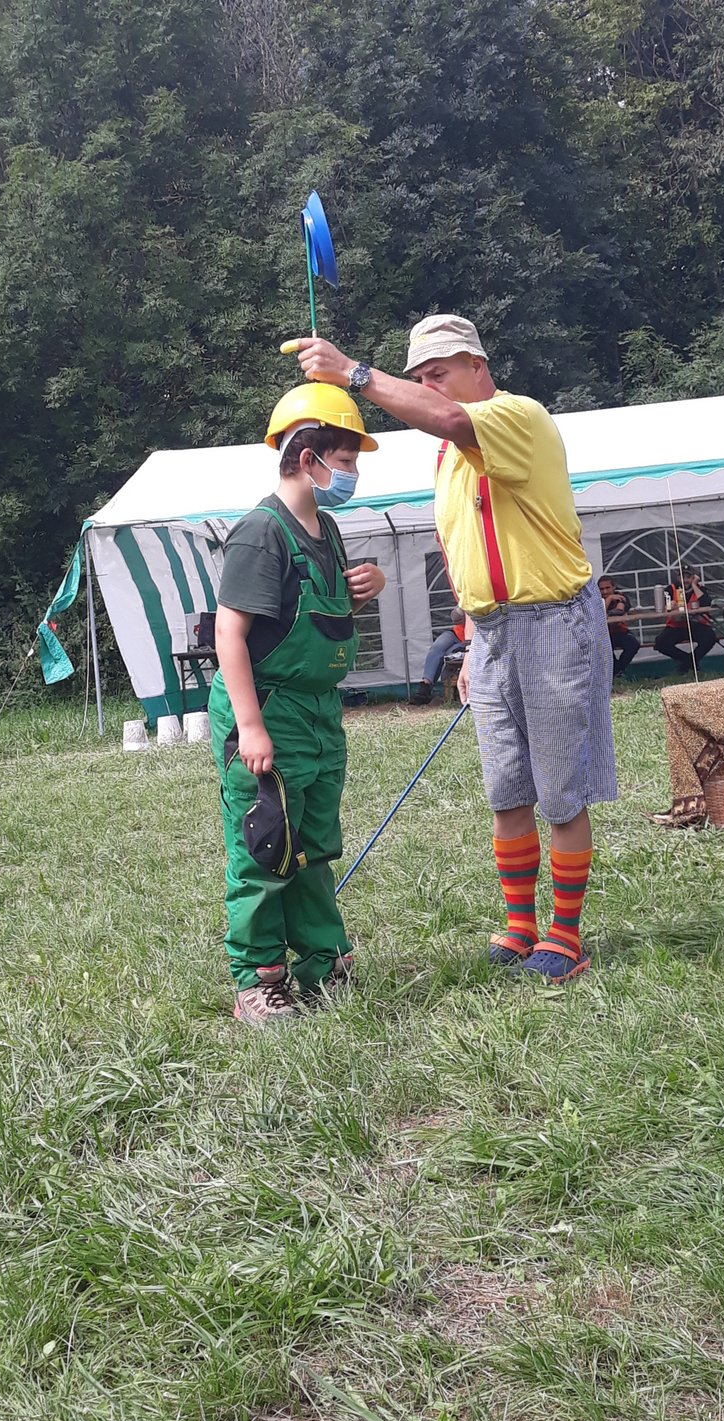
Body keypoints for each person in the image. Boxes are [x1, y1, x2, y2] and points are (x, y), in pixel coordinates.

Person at [293, 314, 615, 985]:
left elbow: (449, 419)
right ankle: (521, 926)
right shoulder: (449, 459)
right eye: (419, 378)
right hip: (492, 632)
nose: (427, 389)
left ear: (477, 364)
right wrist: (469, 641)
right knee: (506, 788)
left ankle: (566, 933)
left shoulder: (517, 417)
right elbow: (464, 549)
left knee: (560, 791)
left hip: (553, 622)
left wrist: (352, 374)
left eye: (437, 374)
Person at [209, 384, 387, 1025]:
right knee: (266, 845)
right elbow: (229, 634)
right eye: (345, 461)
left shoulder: (326, 528)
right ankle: (258, 980)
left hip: (318, 713)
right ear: (308, 458)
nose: (353, 475)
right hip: (269, 710)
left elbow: (316, 615)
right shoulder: (261, 532)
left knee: (313, 844)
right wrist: (250, 727)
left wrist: (368, 587)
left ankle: (322, 960)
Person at [652, 565, 719, 672]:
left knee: (710, 637)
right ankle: (690, 662)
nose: (685, 580)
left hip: (696, 625)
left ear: (693, 578)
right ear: (678, 578)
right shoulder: (670, 589)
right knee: (661, 643)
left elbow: (706, 603)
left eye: (688, 577)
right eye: (682, 577)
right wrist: (671, 607)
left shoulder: (700, 588)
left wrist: (694, 585)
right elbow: (664, 610)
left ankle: (685, 666)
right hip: (676, 626)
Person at [410, 606, 467, 704]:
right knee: (436, 649)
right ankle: (425, 686)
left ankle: (444, 691)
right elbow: (455, 615)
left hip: (467, 640)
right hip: (455, 633)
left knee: (449, 654)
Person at [598, 575, 639, 678]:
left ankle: (617, 671)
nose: (605, 591)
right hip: (603, 634)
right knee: (604, 649)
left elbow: (619, 612)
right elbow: (599, 615)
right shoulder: (595, 600)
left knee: (633, 645)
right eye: (601, 589)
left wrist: (608, 612)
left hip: (620, 631)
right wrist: (608, 600)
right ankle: (616, 673)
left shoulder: (621, 596)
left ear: (614, 587)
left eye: (607, 588)